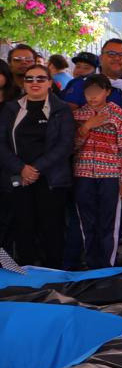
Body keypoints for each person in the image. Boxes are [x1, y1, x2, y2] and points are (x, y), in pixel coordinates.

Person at [0, 63, 74, 268]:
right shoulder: (11, 108)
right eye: (29, 79)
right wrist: (21, 168)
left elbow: (65, 145)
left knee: (52, 230)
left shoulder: (62, 109)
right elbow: (1, 144)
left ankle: (53, 275)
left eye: (40, 78)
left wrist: (36, 168)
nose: (35, 82)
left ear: (50, 83)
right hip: (18, 177)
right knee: (23, 227)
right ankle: (26, 274)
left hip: (51, 179)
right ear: (23, 83)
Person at [71, 74, 122, 268]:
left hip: (111, 175)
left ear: (107, 92)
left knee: (109, 223)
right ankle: (91, 264)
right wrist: (87, 127)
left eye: (97, 91)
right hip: (82, 174)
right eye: (88, 92)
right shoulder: (78, 115)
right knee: (86, 222)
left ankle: (108, 266)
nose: (92, 96)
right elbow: (71, 147)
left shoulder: (118, 114)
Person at [60, 37, 122, 108]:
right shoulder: (81, 84)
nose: (117, 58)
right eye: (111, 54)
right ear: (101, 58)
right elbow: (65, 116)